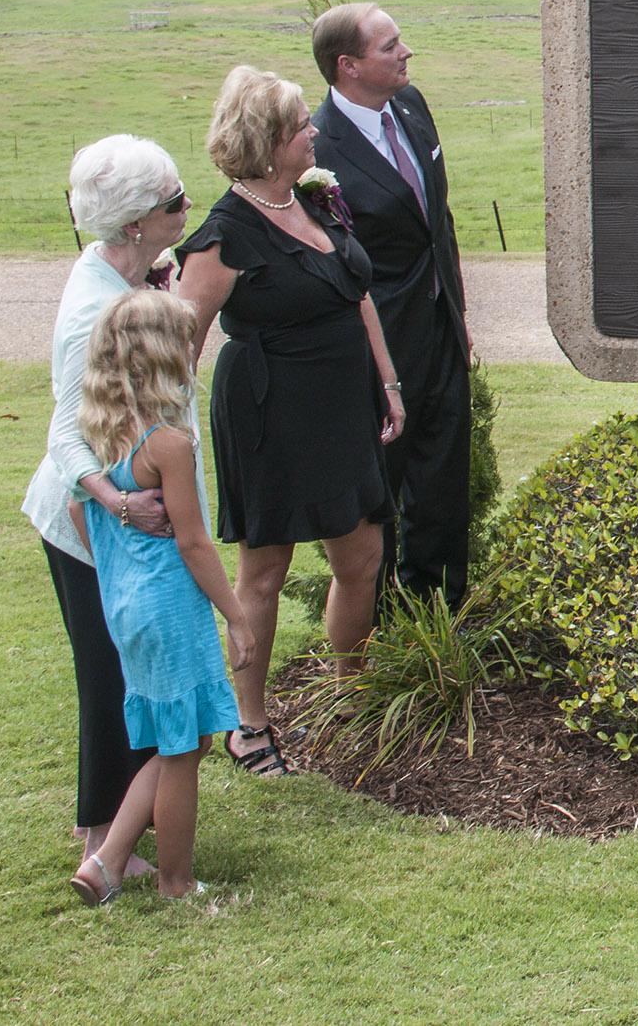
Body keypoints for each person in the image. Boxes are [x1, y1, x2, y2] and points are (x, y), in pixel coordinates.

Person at [175, 65, 405, 778]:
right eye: (301, 124)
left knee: (360, 557)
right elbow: (178, 345)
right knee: (264, 570)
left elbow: (356, 293)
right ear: (269, 143)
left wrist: (388, 382)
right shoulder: (221, 238)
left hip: (342, 406)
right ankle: (250, 724)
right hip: (269, 412)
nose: (313, 131)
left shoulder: (317, 201)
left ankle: (350, 691)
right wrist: (159, 443)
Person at [22, 135, 201, 883]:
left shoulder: (123, 274)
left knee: (127, 671)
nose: (187, 208)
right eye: (173, 203)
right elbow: (66, 435)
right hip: (89, 527)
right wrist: (120, 503)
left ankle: (120, 830)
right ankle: (100, 837)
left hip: (122, 520)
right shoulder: (89, 314)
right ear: (134, 224)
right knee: (108, 677)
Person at [67, 291, 253, 904]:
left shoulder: (99, 430)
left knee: (186, 738)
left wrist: (119, 571)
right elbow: (195, 544)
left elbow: (76, 507)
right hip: (170, 607)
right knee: (181, 749)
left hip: (126, 606)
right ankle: (175, 881)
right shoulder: (169, 443)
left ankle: (106, 860)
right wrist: (237, 616)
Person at [308, 3, 472, 604]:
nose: (406, 53)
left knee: (443, 483)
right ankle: (374, 634)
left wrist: (461, 314)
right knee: (381, 492)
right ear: (347, 66)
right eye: (389, 46)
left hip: (441, 331)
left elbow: (440, 222)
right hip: (377, 348)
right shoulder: (318, 147)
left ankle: (441, 618)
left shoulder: (412, 106)